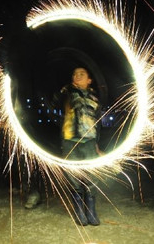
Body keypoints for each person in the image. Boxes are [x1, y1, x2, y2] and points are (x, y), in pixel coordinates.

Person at [55, 66, 102, 226]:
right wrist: (66, 89)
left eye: (81, 74)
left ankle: (91, 210)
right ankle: (79, 210)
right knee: (74, 178)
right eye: (74, 74)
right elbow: (54, 101)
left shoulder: (95, 98)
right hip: (70, 142)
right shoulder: (66, 94)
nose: (77, 76)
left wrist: (97, 145)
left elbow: (97, 123)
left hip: (89, 142)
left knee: (91, 177)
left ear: (89, 80)